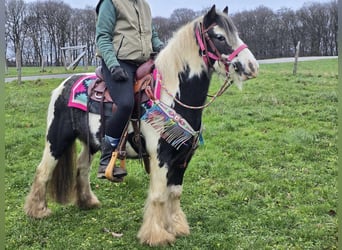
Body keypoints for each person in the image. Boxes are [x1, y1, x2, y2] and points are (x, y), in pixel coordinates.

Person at [95, 0, 164, 181]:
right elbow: (102, 36)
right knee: (126, 103)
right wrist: (113, 65)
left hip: (143, 62)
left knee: (162, 95)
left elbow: (153, 34)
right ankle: (106, 157)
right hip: (119, 63)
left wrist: (162, 48)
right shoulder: (111, 3)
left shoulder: (144, 5)